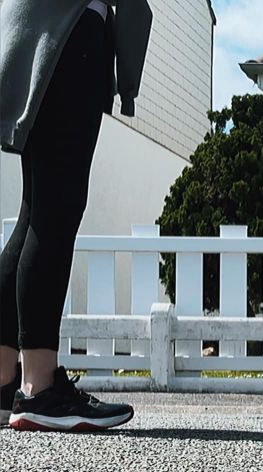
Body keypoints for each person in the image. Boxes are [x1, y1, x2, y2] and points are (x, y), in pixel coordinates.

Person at [0, 0, 152, 431]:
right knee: (56, 212)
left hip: (26, 32)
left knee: (34, 211)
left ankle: (4, 379)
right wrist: (128, 79)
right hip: (71, 35)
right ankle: (40, 387)